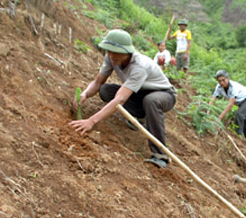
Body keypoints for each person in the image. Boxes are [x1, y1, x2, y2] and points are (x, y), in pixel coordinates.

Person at [69, 29, 177, 168]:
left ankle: (160, 155)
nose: (112, 55)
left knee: (151, 101)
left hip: (163, 95)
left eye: (116, 52)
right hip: (139, 94)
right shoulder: (111, 58)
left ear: (127, 51)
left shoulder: (140, 66)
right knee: (105, 90)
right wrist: (85, 94)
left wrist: (91, 121)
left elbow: (120, 99)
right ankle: (141, 116)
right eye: (109, 51)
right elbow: (98, 82)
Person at [209, 70, 246, 147]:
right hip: (240, 102)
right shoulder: (218, 87)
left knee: (239, 114)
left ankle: (238, 134)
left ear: (227, 79)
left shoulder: (234, 87)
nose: (222, 82)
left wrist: (219, 118)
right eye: (219, 81)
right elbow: (213, 100)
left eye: (223, 80)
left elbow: (230, 105)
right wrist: (207, 111)